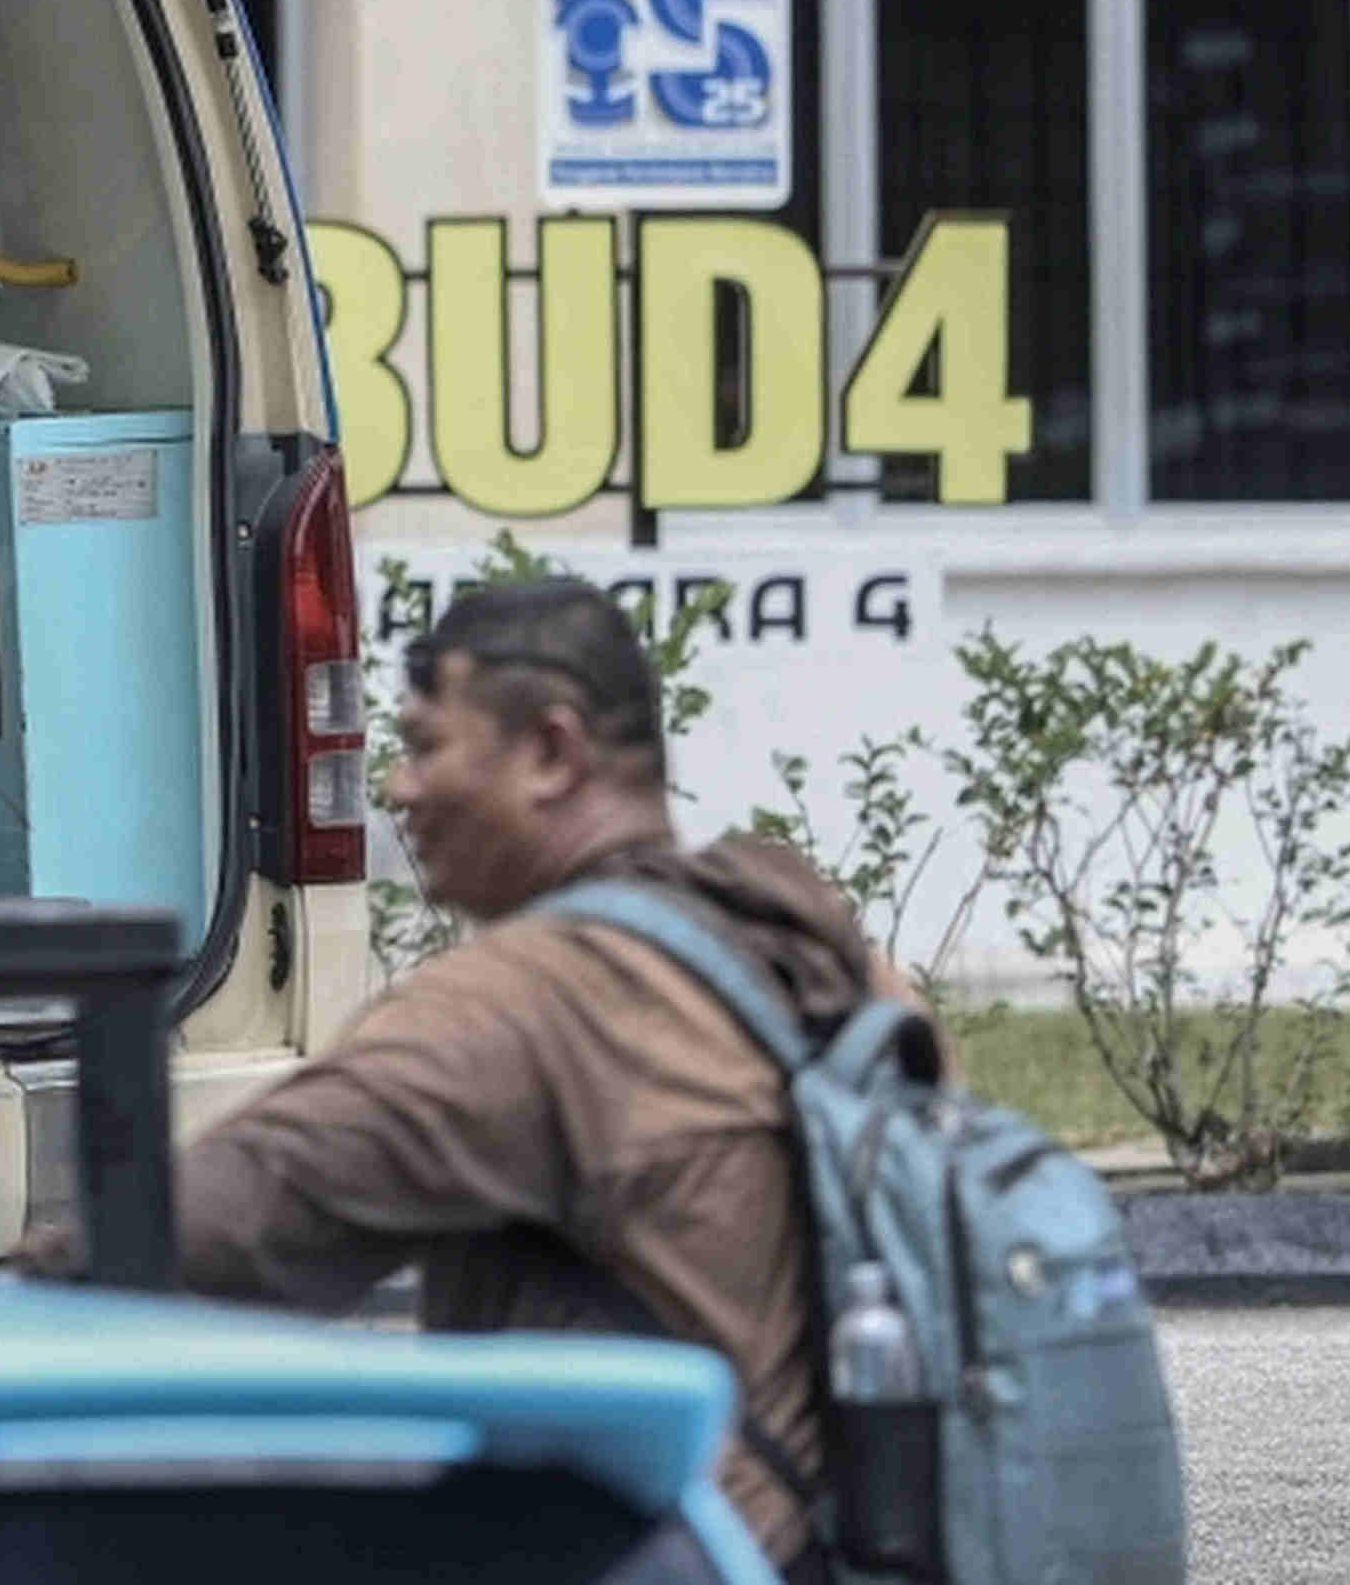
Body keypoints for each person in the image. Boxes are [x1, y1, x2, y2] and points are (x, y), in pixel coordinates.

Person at [169, 577, 894, 1582]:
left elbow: (223, 1218)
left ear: (551, 753)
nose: (397, 788)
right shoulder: (805, 936)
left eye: (425, 745)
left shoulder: (531, 1002)